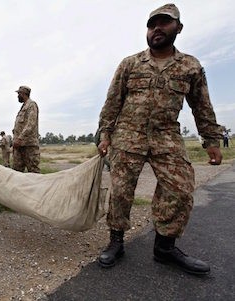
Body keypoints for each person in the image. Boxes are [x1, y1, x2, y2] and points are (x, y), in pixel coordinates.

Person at [97, 3, 223, 275]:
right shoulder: (130, 64)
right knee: (120, 192)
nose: (157, 28)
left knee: (180, 188)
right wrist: (105, 134)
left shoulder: (190, 66)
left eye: (164, 23)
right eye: (152, 24)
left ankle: (165, 248)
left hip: (167, 136)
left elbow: (202, 106)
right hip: (128, 137)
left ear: (178, 28)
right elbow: (112, 103)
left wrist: (211, 139)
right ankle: (116, 242)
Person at [12, 86, 40, 173]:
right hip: (19, 146)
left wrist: (19, 138)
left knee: (33, 172)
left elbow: (31, 124)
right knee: (17, 173)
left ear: (23, 94)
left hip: (29, 146)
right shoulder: (23, 107)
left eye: (18, 94)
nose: (17, 96)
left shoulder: (31, 105)